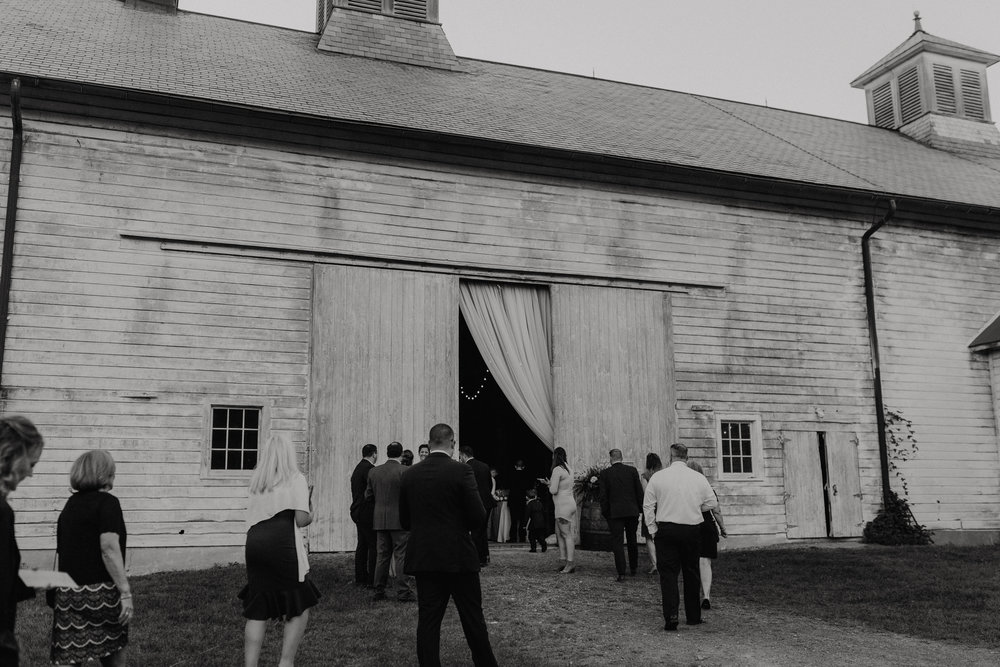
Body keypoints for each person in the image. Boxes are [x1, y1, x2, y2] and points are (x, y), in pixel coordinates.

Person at [400, 423, 498, 667]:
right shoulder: (461, 471)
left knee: (429, 621)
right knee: (473, 618)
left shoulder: (410, 474)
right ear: (452, 443)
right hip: (458, 557)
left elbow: (404, 520)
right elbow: (478, 515)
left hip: (425, 556)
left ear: (429, 442)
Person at [239, 434, 320, 667]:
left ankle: (250, 664)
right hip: (281, 542)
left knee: (258, 604)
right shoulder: (296, 478)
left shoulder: (257, 479)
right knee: (299, 601)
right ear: (288, 454)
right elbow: (302, 520)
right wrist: (312, 509)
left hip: (254, 542)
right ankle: (286, 662)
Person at [50, 450, 131, 666]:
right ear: (105, 474)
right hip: (101, 594)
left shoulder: (70, 506)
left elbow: (62, 552)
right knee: (114, 653)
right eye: (112, 470)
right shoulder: (108, 503)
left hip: (68, 594)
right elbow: (109, 548)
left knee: (70, 657)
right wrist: (125, 592)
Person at [643, 443, 717, 631]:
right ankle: (693, 616)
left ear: (671, 456)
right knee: (691, 572)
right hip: (692, 529)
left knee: (668, 574)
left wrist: (652, 529)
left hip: (666, 529)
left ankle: (672, 616)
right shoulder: (698, 478)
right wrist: (695, 508)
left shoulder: (658, 477)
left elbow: (648, 506)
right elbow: (711, 502)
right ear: (686, 456)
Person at [0, 416, 44, 666]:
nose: (30, 472)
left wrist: (30, 584)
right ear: (14, 456)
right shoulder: (1, 512)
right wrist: (9, 650)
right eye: (31, 463)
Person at [366, 441, 416, 602]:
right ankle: (403, 591)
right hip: (400, 520)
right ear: (401, 454)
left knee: (382, 556)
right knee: (401, 556)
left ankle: (378, 590)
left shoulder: (374, 472)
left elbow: (368, 496)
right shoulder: (406, 471)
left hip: (380, 519)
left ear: (386, 453)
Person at [598, 449, 645, 582]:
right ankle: (634, 567)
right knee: (632, 539)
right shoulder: (632, 471)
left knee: (617, 542)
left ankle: (621, 572)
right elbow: (639, 492)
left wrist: (606, 513)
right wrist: (640, 509)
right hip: (631, 511)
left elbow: (603, 496)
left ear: (611, 459)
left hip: (615, 513)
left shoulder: (605, 473)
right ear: (622, 457)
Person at [687, 461, 727, 610]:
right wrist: (723, 528)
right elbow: (716, 511)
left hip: (691, 525)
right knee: (705, 562)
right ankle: (706, 596)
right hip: (707, 526)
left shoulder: (684, 490)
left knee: (692, 562)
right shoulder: (708, 489)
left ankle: (692, 593)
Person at [458, 446, 495, 566]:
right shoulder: (484, 466)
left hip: (475, 502)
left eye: (460, 456)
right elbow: (489, 484)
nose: (460, 459)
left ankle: (476, 559)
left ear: (463, 455)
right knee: (482, 530)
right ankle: (484, 557)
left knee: (475, 531)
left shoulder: (465, 467)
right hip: (487, 502)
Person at [350, 444, 378, 587]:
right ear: (374, 454)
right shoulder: (369, 470)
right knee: (373, 545)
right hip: (366, 512)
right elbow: (372, 491)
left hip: (357, 511)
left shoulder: (358, 468)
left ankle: (360, 576)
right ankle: (372, 578)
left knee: (362, 545)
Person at [547, 447, 576, 574]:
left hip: (562, 506)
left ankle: (570, 563)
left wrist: (549, 485)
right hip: (569, 503)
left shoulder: (557, 470)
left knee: (566, 534)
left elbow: (553, 490)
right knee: (559, 534)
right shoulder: (569, 468)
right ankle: (563, 560)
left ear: (555, 456)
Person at [640, 452, 663, 574]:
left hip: (650, 507)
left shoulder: (645, 476)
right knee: (660, 535)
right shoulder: (663, 475)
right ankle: (662, 561)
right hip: (662, 506)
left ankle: (655, 563)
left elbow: (646, 493)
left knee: (649, 536)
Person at [507, 459, 531, 543]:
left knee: (513, 520)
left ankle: (513, 538)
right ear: (523, 467)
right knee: (522, 520)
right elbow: (528, 487)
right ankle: (522, 538)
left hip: (512, 499)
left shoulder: (510, 475)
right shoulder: (526, 476)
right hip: (521, 499)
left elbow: (508, 485)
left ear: (515, 466)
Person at [523, 487, 548, 553]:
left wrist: (524, 525)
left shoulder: (529, 504)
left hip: (534, 523)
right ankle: (544, 545)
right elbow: (544, 512)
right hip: (541, 522)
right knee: (540, 536)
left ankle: (533, 548)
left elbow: (527, 515)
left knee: (531, 537)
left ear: (527, 497)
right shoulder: (539, 503)